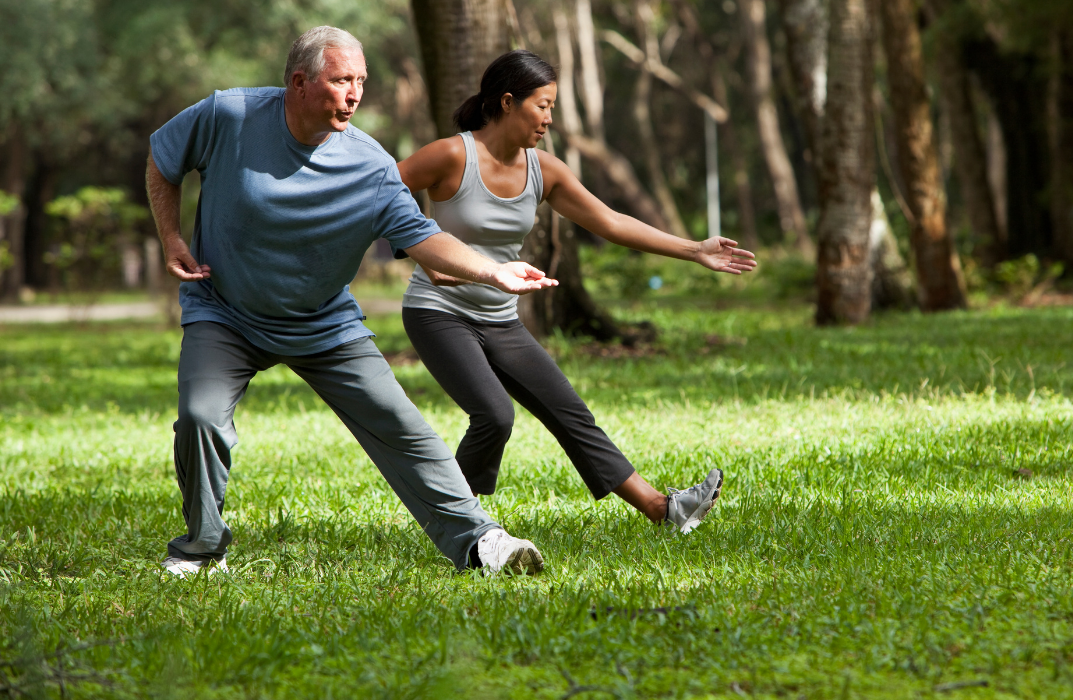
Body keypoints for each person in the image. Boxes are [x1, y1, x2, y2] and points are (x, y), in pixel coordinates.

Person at [146, 27, 555, 578]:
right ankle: (202, 548)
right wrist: (171, 236)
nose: (355, 94)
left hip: (322, 321)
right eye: (342, 80)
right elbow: (162, 159)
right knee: (200, 417)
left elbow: (419, 234)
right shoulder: (229, 116)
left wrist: (492, 270)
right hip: (225, 310)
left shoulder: (370, 164)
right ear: (299, 82)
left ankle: (482, 542)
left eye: (361, 81)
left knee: (402, 423)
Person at [396, 50, 756, 533]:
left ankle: (661, 510)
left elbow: (610, 221)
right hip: (438, 311)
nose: (549, 118)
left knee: (570, 413)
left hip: (500, 317)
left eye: (552, 107)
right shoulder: (451, 155)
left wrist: (694, 250)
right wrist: (423, 254)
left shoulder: (544, 169)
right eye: (542, 105)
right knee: (495, 416)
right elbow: (379, 196)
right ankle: (456, 523)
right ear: (507, 102)